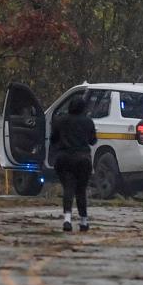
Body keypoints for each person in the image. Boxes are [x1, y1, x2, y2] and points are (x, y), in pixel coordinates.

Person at [50, 97, 97, 232]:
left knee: (68, 188)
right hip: (83, 159)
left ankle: (67, 219)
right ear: (83, 108)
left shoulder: (60, 121)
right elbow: (93, 141)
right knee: (81, 190)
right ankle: (83, 221)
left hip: (64, 159)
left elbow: (53, 139)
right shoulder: (88, 122)